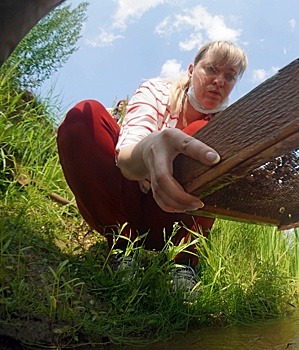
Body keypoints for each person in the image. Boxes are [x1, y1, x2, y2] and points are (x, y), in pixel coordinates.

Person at [57, 41, 248, 292]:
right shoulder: (156, 91)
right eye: (211, 69)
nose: (218, 80)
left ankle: (183, 264)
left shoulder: (230, 123)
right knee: (85, 115)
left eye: (229, 76)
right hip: (128, 200)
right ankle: (122, 246)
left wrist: (284, 209)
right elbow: (128, 148)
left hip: (176, 219)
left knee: (206, 136)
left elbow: (242, 187)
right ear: (192, 70)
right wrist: (150, 152)